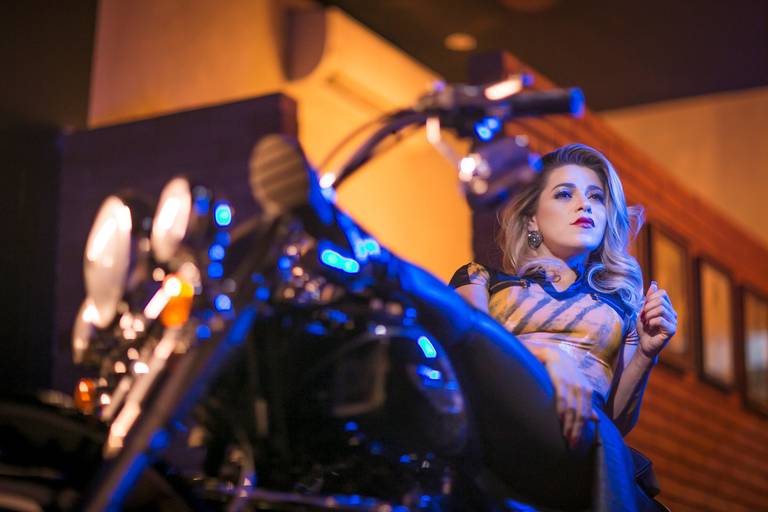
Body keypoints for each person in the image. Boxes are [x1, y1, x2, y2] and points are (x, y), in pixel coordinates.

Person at [448, 143, 677, 509]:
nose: (584, 205)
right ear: (532, 218)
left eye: (596, 197)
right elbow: (473, 353)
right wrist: (547, 356)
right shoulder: (480, 279)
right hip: (503, 433)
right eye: (564, 194)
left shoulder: (622, 308)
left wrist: (646, 354)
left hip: (582, 448)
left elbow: (615, 422)